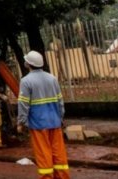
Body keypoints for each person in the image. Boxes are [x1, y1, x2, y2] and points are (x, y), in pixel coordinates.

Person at [17, 51, 70, 179]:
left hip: (38, 124)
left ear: (27, 64)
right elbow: (60, 101)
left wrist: (21, 122)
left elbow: (23, 104)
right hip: (55, 122)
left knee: (43, 154)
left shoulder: (26, 81)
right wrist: (61, 117)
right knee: (59, 154)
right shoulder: (52, 78)